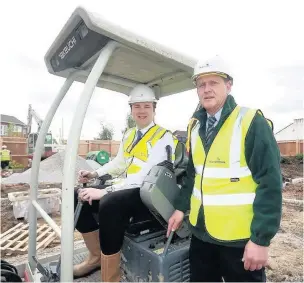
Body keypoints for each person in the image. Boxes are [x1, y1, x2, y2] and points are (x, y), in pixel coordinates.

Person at [167, 55, 282, 282]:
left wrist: (260, 240)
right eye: (201, 84)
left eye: (214, 83)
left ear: (228, 86)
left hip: (238, 239)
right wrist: (181, 208)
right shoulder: (195, 125)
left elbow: (270, 183)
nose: (207, 89)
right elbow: (193, 173)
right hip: (201, 234)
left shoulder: (251, 122)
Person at [73, 84, 178, 281]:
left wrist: (106, 192)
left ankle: (110, 277)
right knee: (76, 195)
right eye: (137, 106)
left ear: (154, 109)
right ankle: (96, 257)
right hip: (127, 187)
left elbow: (147, 176)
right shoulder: (129, 134)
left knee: (110, 203)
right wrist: (94, 173)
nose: (141, 111)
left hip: (149, 194)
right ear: (131, 110)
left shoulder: (164, 137)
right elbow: (119, 163)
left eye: (146, 106)